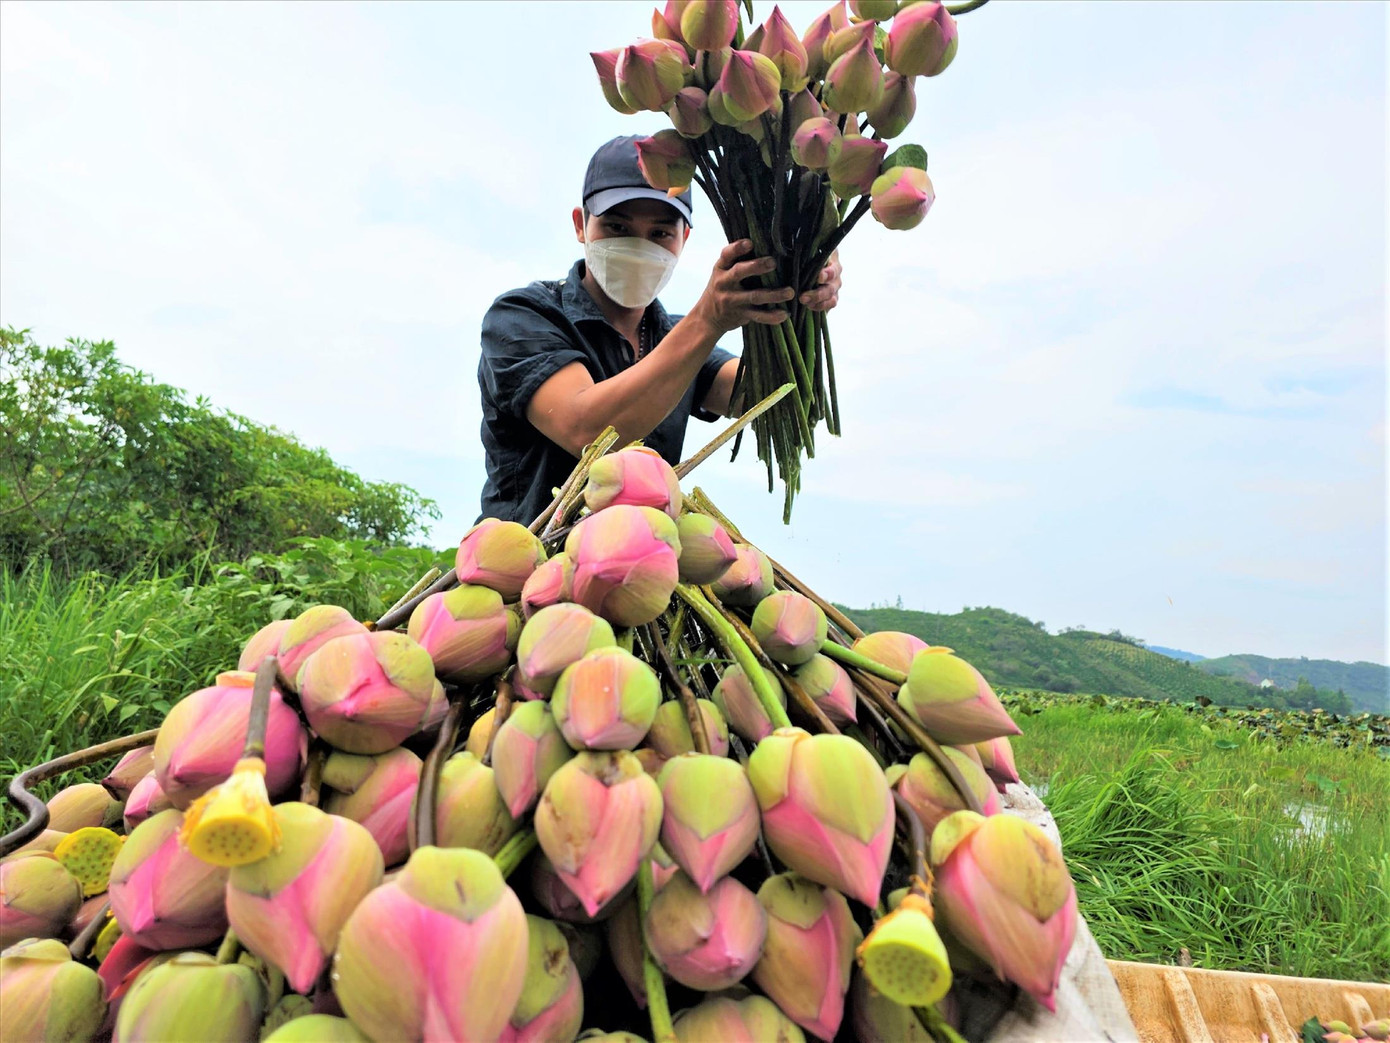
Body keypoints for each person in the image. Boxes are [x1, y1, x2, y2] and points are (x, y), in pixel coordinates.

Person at [476, 134, 842, 524]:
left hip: (642, 568)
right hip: (531, 571)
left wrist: (803, 282)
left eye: (660, 234)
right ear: (581, 225)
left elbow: (782, 400)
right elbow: (586, 431)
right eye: (617, 227)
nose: (638, 246)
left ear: (684, 238)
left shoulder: (676, 339)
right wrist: (708, 319)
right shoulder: (521, 317)